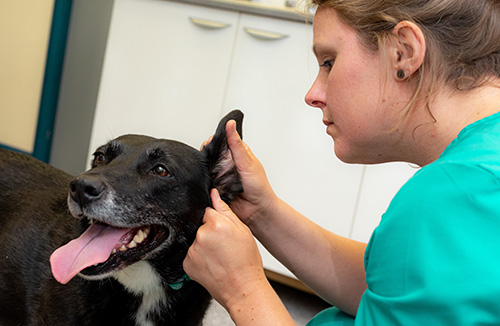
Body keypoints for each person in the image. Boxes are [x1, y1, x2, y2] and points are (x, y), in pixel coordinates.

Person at [183, 0, 500, 324]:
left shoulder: (455, 194)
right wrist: (263, 212)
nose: (313, 93)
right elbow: (396, 285)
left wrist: (242, 289)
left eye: (329, 62)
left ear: (403, 52)